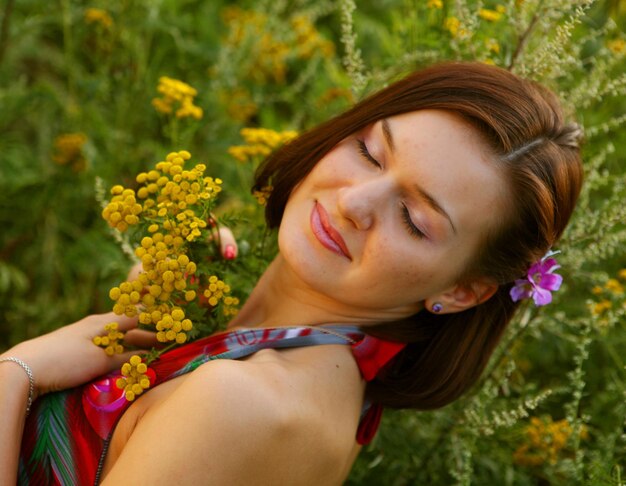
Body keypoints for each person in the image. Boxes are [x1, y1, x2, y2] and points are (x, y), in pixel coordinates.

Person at [0, 61, 583, 485]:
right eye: (370, 151)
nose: (355, 201)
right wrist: (191, 321)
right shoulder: (320, 373)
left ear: (461, 292)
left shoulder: (243, 404)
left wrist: (17, 376)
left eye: (413, 218)